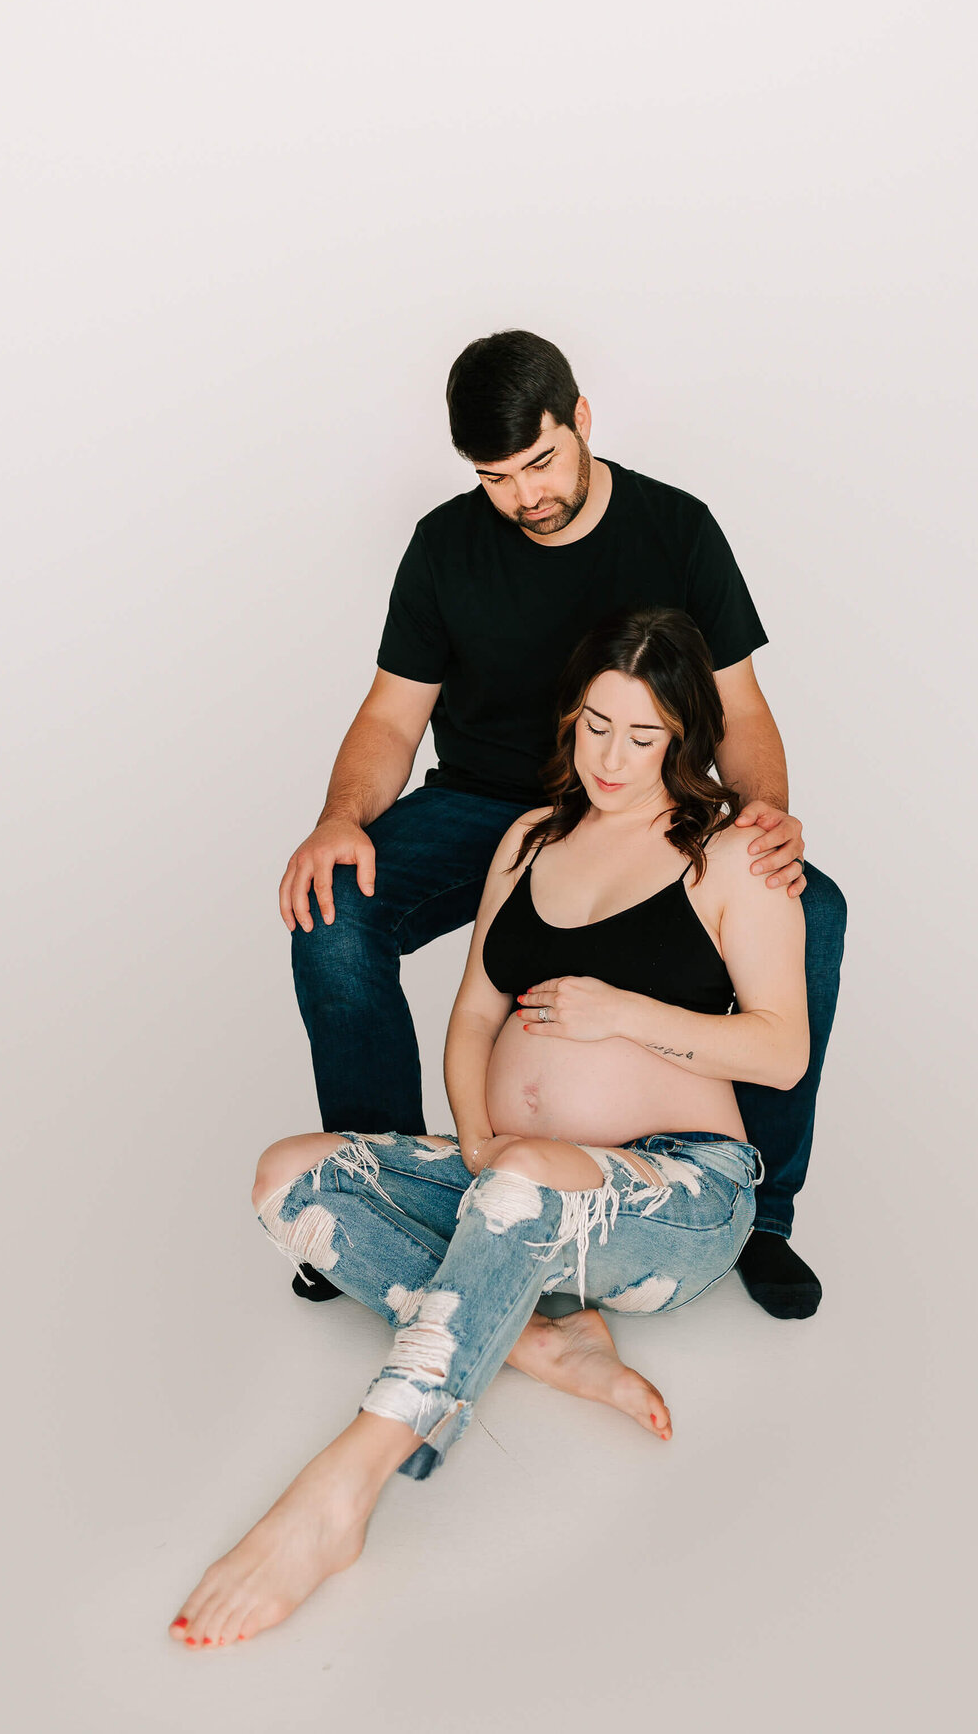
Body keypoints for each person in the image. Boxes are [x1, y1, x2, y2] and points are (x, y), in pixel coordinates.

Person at [169, 608, 809, 1649]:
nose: (612, 758)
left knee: (519, 1187)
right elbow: (473, 1014)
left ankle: (343, 1490)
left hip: (681, 1198)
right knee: (287, 1178)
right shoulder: (529, 839)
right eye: (596, 726)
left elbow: (780, 1050)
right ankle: (546, 1340)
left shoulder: (730, 854)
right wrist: (474, 1137)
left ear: (684, 739)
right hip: (512, 1175)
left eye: (643, 738)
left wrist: (627, 1016)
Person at [281, 329, 846, 1317]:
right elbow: (388, 717)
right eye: (495, 476)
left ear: (582, 421)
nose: (524, 496)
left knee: (817, 911)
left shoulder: (678, 530)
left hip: (641, 804)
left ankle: (764, 1211)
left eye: (540, 462)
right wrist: (340, 819)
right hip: (483, 810)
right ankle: (405, 1189)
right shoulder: (445, 547)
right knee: (334, 913)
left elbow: (741, 710)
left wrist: (764, 822)